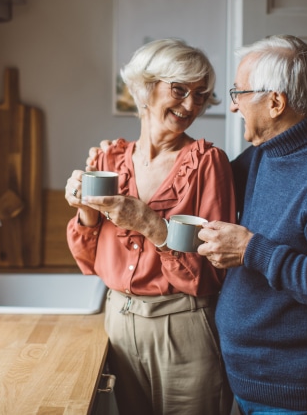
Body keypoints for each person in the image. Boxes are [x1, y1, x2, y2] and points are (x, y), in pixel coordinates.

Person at [197, 35, 307, 414]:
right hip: (247, 381)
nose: (232, 106)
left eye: (239, 93)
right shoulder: (261, 155)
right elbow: (201, 187)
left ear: (275, 102)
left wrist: (251, 250)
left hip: (302, 394)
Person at [64, 38, 236, 415]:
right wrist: (85, 208)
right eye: (179, 89)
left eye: (201, 95)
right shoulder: (109, 157)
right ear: (146, 87)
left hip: (183, 325)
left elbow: (209, 275)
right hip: (119, 324)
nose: (190, 105)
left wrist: (148, 222)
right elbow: (89, 262)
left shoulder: (208, 163)